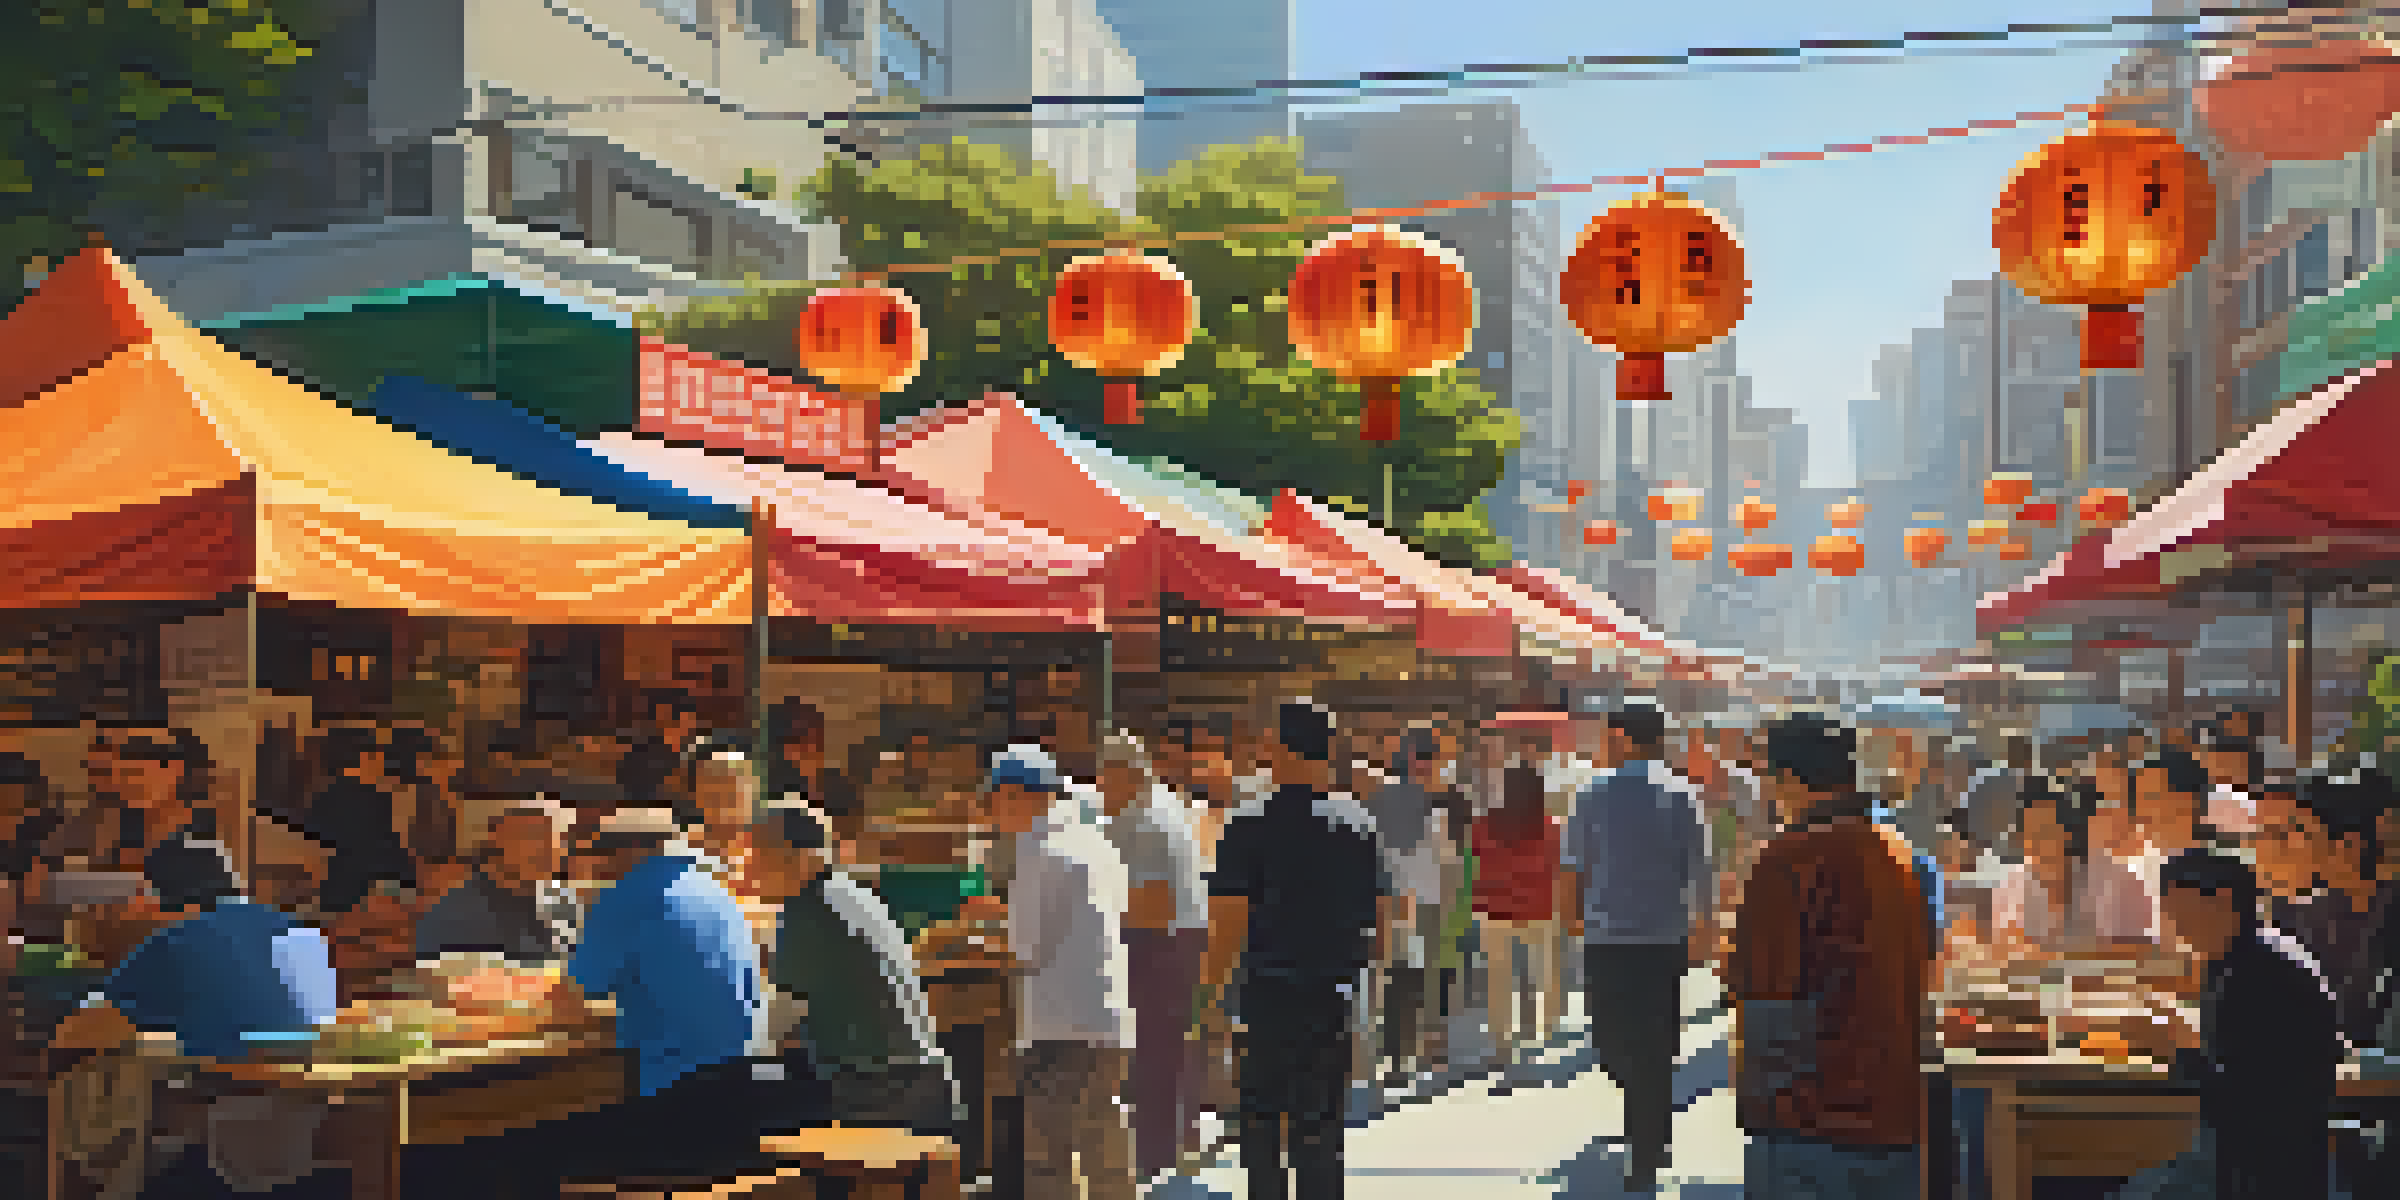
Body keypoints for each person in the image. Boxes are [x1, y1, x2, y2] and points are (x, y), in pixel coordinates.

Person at [402, 804, 786, 1200]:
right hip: (740, 1097)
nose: (585, 866)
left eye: (595, 855)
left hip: (675, 1108)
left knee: (510, 1148)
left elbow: (567, 1004)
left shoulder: (626, 899)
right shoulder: (714, 893)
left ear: (624, 855)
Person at [47, 838, 343, 1199]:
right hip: (321, 1110)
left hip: (223, 1116)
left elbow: (74, 1035)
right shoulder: (302, 933)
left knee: (86, 1075)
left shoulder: (175, 941)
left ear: (157, 897)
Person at [1729, 712, 1932, 1200]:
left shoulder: (1789, 859)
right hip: (1894, 1113)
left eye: (1768, 781)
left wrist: (1764, 1109)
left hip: (1812, 1122)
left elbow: (1765, 995)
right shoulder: (1897, 852)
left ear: (1790, 782)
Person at [1201, 700, 1393, 1200]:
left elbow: (1227, 923)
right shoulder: (1358, 824)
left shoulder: (1246, 825)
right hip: (1332, 993)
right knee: (1322, 1125)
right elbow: (1383, 917)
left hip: (1267, 993)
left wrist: (1208, 998)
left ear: (1280, 749)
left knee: (1262, 1122)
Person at [2111, 850, 2343, 1200]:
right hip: (2252, 1158)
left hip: (2264, 1174)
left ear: (2221, 900)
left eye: (2178, 909)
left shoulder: (2260, 977)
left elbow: (2246, 1105)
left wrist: (2177, 1050)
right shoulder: (2241, 957)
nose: (2173, 924)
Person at [1561, 700, 1712, 1193]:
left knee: (1612, 1040)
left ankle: (1645, 1144)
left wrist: (1571, 922)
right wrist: (1704, 929)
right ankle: (1651, 1122)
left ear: (1623, 738)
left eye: (1608, 736)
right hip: (1665, 938)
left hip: (1610, 938)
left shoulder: (1593, 794)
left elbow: (1573, 868)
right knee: (1654, 1041)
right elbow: (1701, 870)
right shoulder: (1685, 796)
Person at [746, 804, 956, 1139]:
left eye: (758, 853)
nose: (748, 866)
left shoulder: (807, 909)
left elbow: (775, 1026)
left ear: (800, 856)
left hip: (877, 1093)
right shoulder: (853, 893)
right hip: (924, 1082)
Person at [985, 743, 1137, 1200]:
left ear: (1017, 795)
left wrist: (977, 941)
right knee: (1106, 1158)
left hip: (1059, 1027)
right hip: (1107, 1021)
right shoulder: (1094, 841)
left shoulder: (1040, 850)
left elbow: (1026, 950)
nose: (991, 810)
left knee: (1049, 1164)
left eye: (994, 798)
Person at [1096, 731, 1210, 1183]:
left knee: (1153, 1052)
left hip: (1158, 940)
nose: (1101, 789)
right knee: (1174, 1048)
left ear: (1124, 776)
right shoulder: (1166, 808)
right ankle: (1178, 1143)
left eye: (1105, 778)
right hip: (1180, 936)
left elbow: (1153, 903)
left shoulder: (1141, 822)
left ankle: (1155, 1158)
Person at [1473, 763, 1565, 1091]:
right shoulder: (1552, 826)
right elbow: (1559, 867)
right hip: (1539, 905)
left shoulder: (1484, 825)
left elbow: (1474, 859)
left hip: (1495, 906)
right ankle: (1547, 1029)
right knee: (1547, 968)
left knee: (1499, 976)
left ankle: (1502, 1042)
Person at [1365, 726, 1447, 1088]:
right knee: (1421, 978)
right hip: (1424, 901)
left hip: (1391, 900)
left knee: (1395, 979)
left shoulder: (1377, 802)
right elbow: (1445, 857)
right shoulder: (1438, 803)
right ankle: (1419, 1052)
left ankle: (1397, 1058)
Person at [413, 799, 582, 965]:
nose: (550, 848)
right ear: (498, 839)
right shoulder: (457, 915)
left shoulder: (562, 901)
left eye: (560, 838)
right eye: (534, 835)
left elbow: (578, 970)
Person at [302, 726, 416, 916]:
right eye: (379, 755)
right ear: (364, 757)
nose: (383, 762)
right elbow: (384, 848)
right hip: (369, 892)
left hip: (339, 893)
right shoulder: (377, 798)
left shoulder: (323, 796)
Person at [767, 700, 861, 844]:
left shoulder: (839, 784)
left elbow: (854, 835)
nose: (810, 746)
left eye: (815, 735)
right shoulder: (775, 796)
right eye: (798, 739)